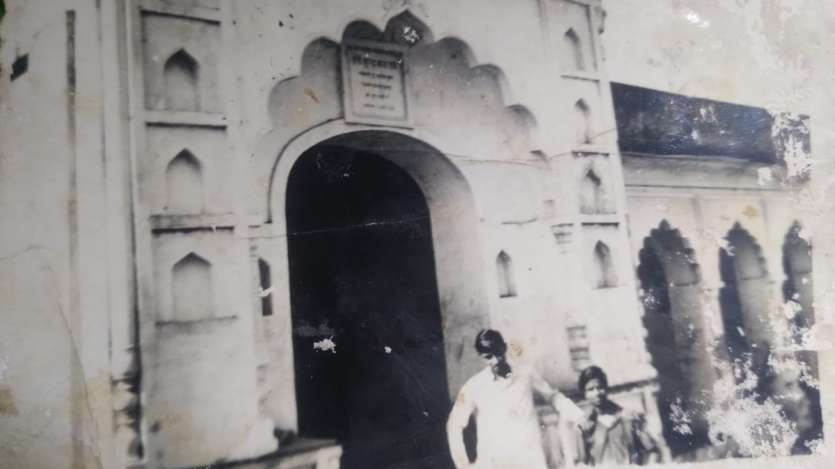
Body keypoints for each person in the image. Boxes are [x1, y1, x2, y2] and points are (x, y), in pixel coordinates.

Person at [446, 329, 585, 469]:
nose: (496, 360)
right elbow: (454, 424)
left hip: (529, 459)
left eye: (498, 352)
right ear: (481, 357)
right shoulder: (474, 386)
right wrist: (462, 465)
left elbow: (553, 396)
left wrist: (577, 414)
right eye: (489, 357)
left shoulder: (526, 373)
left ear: (504, 347)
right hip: (495, 462)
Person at [573, 365, 661, 466]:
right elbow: (581, 464)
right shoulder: (584, 426)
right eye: (590, 389)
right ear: (584, 394)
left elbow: (653, 451)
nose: (596, 393)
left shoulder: (630, 417)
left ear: (606, 388)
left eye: (600, 387)